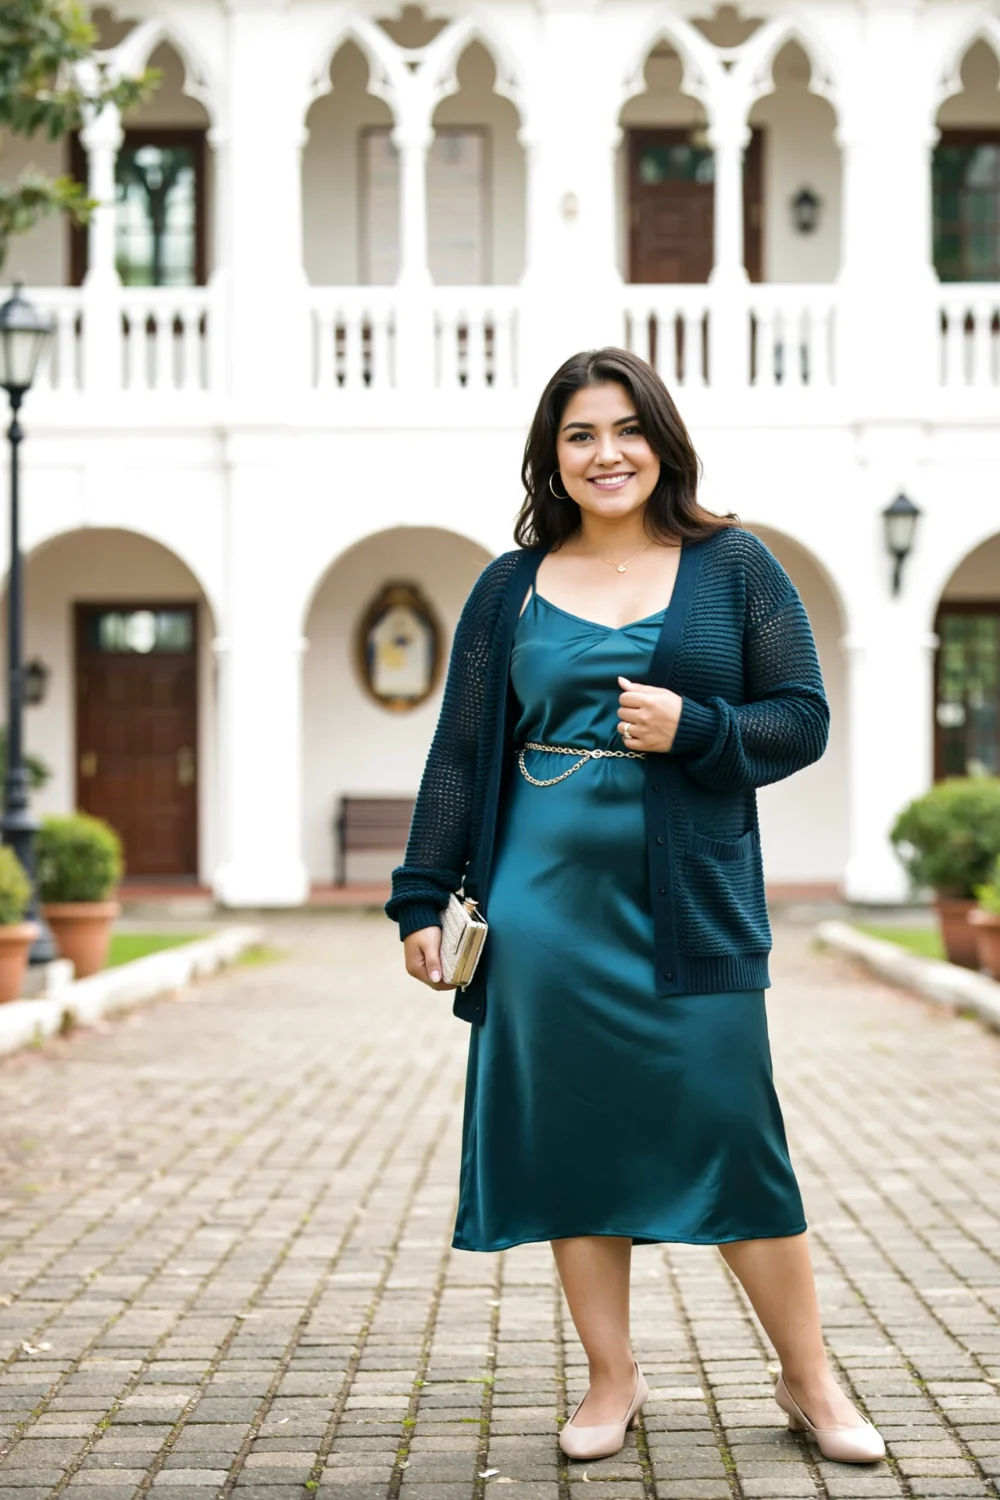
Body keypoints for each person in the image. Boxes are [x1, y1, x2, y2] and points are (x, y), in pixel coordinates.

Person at [386, 347, 885, 1467]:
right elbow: (462, 754)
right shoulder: (506, 585)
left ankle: (808, 1381)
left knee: (733, 1129)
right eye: (578, 435)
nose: (604, 453)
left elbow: (800, 718)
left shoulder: (735, 567)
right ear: (551, 457)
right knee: (575, 1142)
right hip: (544, 908)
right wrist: (421, 895)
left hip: (690, 901)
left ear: (659, 439)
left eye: (623, 429)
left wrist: (698, 731)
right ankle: (613, 1380)